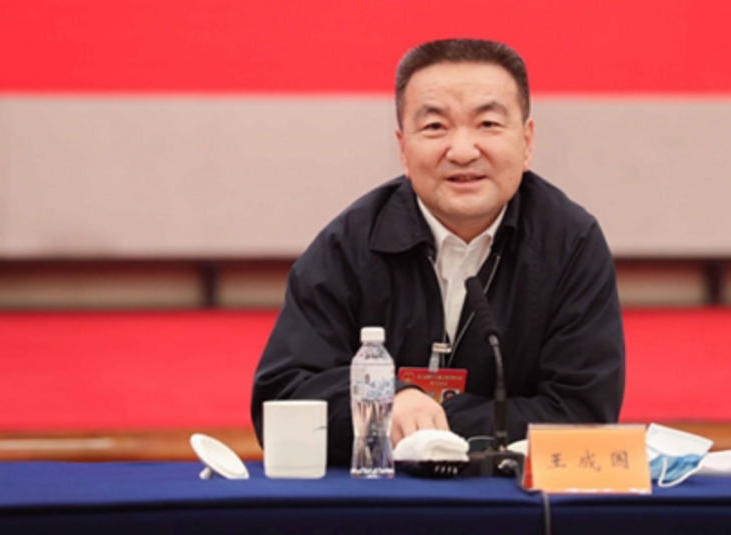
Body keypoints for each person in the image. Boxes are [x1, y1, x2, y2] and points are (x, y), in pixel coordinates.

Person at [251, 38, 625, 466]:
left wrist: (428, 421)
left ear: (527, 142)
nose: (462, 151)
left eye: (487, 124)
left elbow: (583, 417)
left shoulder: (571, 244)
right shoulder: (349, 244)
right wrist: (392, 400)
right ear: (402, 147)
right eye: (435, 127)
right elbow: (282, 401)